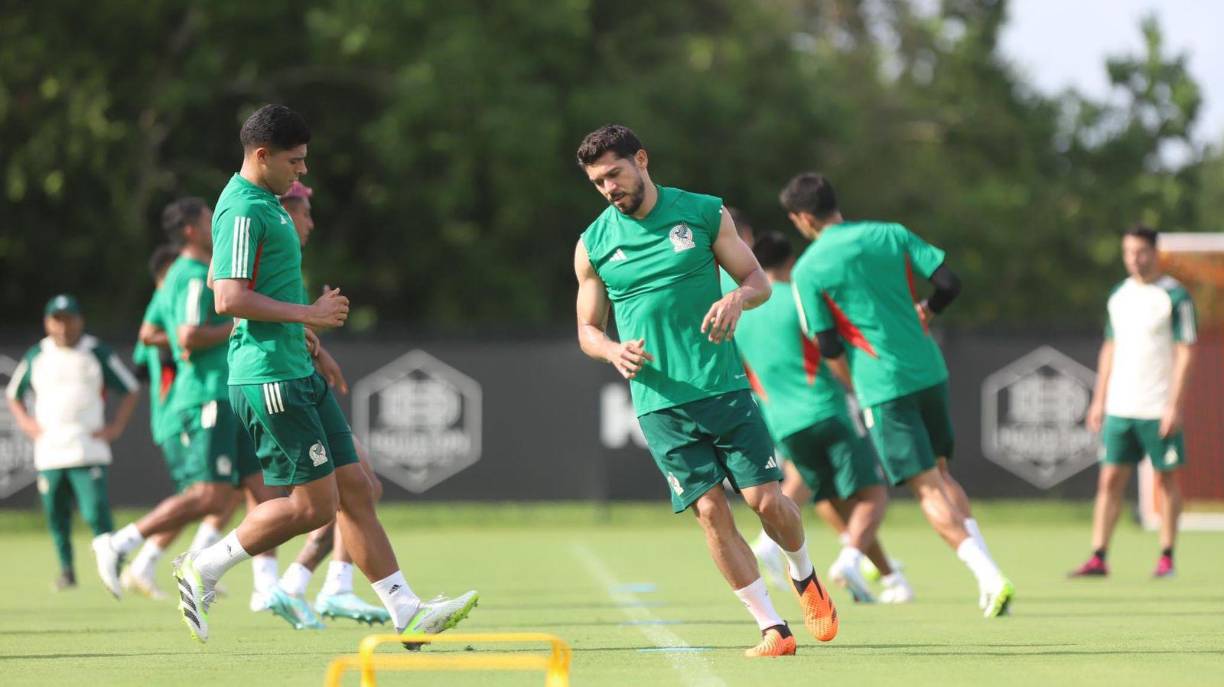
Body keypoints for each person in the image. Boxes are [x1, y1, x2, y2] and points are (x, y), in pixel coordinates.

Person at [173, 104, 476, 645]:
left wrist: (307, 340)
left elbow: (239, 282)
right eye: (295, 160)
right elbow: (227, 296)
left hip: (293, 366)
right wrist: (308, 315)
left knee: (358, 488)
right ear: (261, 155)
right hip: (270, 378)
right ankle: (205, 565)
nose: (302, 170)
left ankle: (406, 611)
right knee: (315, 509)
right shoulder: (241, 208)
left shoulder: (265, 204)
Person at [574, 124, 837, 658]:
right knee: (712, 513)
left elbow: (757, 281)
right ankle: (772, 628)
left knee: (767, 501)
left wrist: (736, 298)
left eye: (615, 174)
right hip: (658, 404)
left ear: (641, 160)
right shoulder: (592, 244)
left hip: (722, 387)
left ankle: (804, 573)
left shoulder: (702, 212)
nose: (609, 188)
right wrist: (611, 351)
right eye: (598, 182)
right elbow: (587, 329)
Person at [783, 172, 1014, 617]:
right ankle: (988, 576)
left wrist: (854, 381)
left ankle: (990, 576)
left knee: (928, 490)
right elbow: (949, 284)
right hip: (929, 369)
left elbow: (827, 344)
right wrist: (927, 309)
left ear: (803, 218)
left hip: (882, 385)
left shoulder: (808, 268)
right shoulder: (891, 233)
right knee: (942, 474)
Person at [94, 199, 285, 615]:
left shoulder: (187, 275)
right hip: (207, 396)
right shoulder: (194, 275)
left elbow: (153, 331)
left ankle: (268, 588)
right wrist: (237, 323)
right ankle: (122, 542)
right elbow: (188, 336)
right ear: (190, 231)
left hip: (228, 393)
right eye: (207, 219)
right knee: (209, 497)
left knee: (262, 491)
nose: (215, 225)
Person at [729, 230, 913, 604]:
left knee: (835, 501)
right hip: (826, 411)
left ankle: (890, 577)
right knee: (874, 495)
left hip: (782, 425)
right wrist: (859, 388)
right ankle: (850, 560)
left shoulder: (740, 313)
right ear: (791, 262)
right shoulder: (798, 298)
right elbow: (830, 348)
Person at [270, 180, 391, 629]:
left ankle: (309, 584)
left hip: (295, 380)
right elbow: (246, 316)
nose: (310, 222)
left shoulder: (285, 260)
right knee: (331, 498)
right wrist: (311, 324)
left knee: (359, 488)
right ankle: (217, 566)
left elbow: (283, 325)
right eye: (304, 212)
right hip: (272, 388)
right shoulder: (265, 249)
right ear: (285, 211)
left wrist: (318, 349)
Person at [1073, 225, 1196, 579]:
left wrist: (1174, 404)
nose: (1134, 259)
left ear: (1155, 253)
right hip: (1120, 406)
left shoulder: (1175, 296)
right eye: (1128, 252)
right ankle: (1098, 556)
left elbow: (1185, 351)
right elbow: (1110, 347)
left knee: (1166, 480)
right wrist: (1099, 399)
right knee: (1109, 479)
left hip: (1158, 406)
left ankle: (1167, 557)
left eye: (1141, 252)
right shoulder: (1119, 295)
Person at [6, 294, 140, 593]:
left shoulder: (97, 352)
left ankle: (113, 568)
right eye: (57, 320)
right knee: (56, 515)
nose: (63, 327)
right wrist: (26, 423)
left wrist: (116, 426)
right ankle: (67, 570)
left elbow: (130, 389)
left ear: (80, 321)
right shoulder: (36, 354)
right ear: (47, 323)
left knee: (95, 513)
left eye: (69, 320)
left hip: (86, 448)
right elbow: (13, 395)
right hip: (50, 451)